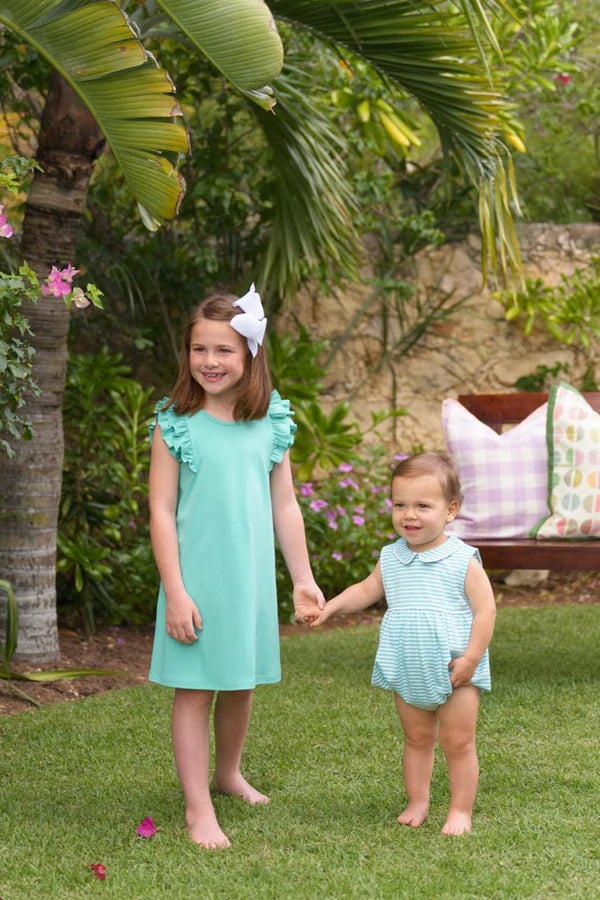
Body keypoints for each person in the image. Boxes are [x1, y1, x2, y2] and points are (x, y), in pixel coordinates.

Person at [148, 284, 324, 850]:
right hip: (195, 581)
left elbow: (285, 505)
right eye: (199, 349)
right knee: (196, 690)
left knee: (240, 682)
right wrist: (176, 591)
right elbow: (161, 511)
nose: (210, 361)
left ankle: (227, 774)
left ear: (250, 354)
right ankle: (197, 809)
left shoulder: (270, 421)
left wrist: (302, 579)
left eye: (223, 350)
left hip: (248, 581)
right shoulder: (175, 423)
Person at [309, 452, 496, 835]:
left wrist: (472, 658)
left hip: (456, 668)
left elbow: (486, 611)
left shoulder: (462, 559)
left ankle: (460, 811)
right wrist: (330, 608)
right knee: (417, 739)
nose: (409, 515)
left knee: (458, 741)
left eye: (423, 506)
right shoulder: (392, 557)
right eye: (400, 505)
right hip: (409, 666)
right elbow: (366, 590)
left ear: (450, 510)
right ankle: (417, 801)